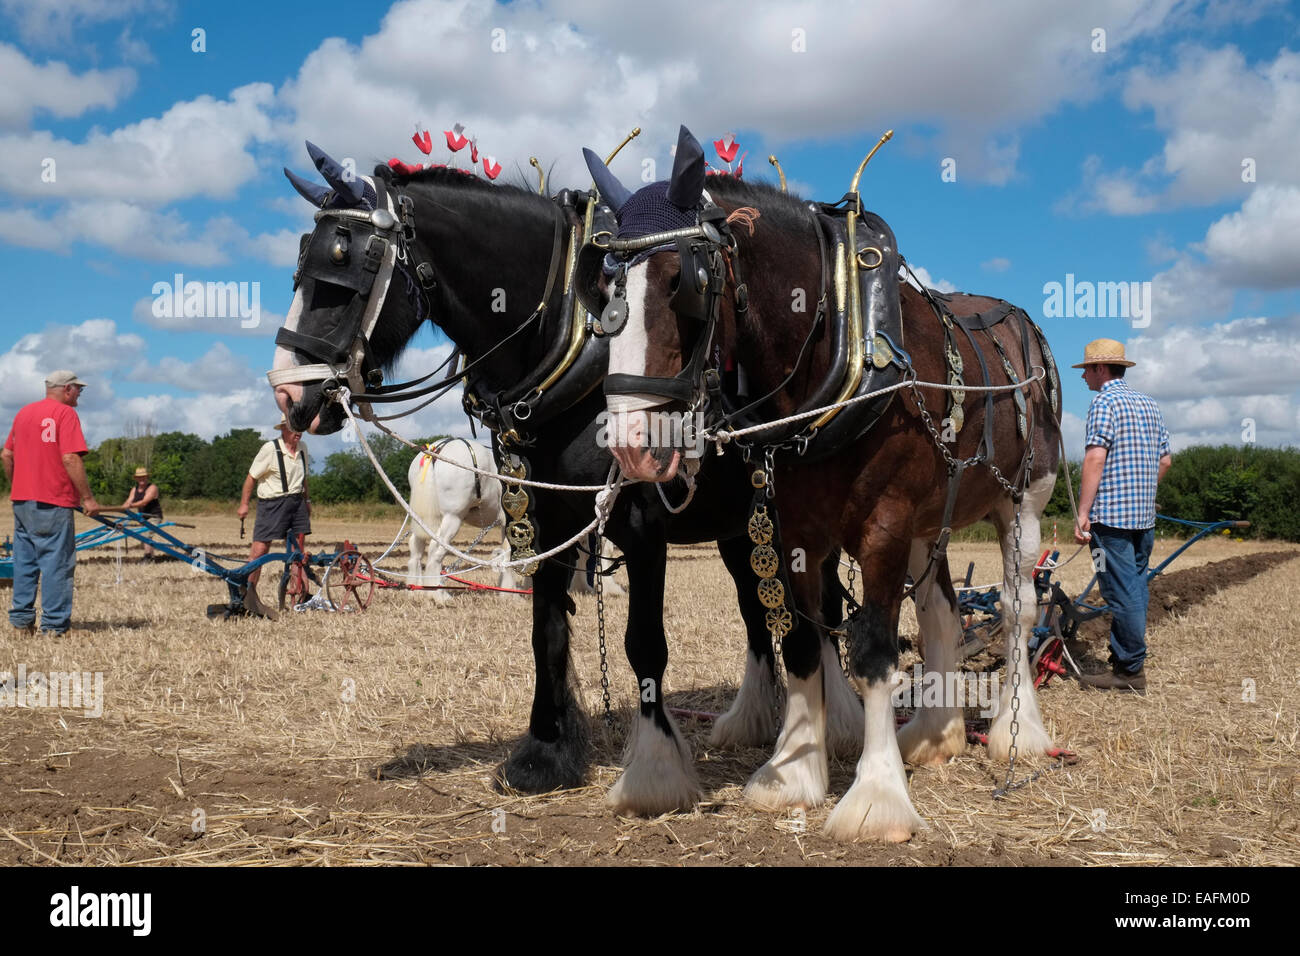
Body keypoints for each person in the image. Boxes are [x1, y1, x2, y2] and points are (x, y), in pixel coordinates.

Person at [1072, 339, 1172, 692]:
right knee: (1136, 589)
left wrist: (1083, 512)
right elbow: (1165, 461)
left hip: (1111, 520)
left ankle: (1129, 672)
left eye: (1086, 369)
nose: (1083, 376)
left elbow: (1095, 458)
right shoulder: (1149, 404)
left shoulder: (1104, 403)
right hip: (1143, 520)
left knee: (1121, 594)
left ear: (1101, 368)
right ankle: (1125, 661)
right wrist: (1144, 491)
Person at [2, 370, 103, 636]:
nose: (80, 393)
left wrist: (18, 486)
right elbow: (70, 458)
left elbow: (6, 455)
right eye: (78, 389)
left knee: (25, 562)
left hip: (22, 501)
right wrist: (88, 498)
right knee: (57, 563)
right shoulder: (65, 414)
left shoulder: (23, 413)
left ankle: (22, 623)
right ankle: (55, 628)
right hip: (53, 501)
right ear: (67, 389)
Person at [236, 417, 311, 617]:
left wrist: (308, 501)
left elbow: (304, 479)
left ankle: (302, 595)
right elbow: (251, 478)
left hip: (297, 504)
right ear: (284, 429)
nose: (299, 432)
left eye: (301, 428)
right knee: (260, 551)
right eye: (295, 428)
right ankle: (248, 593)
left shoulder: (303, 448)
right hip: (272, 505)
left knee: (298, 552)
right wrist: (244, 504)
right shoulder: (270, 449)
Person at [122, 466, 164, 559]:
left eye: (143, 477)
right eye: (139, 477)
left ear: (147, 477)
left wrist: (130, 506)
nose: (142, 479)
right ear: (136, 478)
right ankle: (152, 556)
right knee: (145, 536)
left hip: (154, 516)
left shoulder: (152, 488)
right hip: (143, 517)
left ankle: (147, 556)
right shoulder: (134, 489)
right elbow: (129, 501)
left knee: (146, 535)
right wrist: (122, 507)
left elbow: (144, 502)